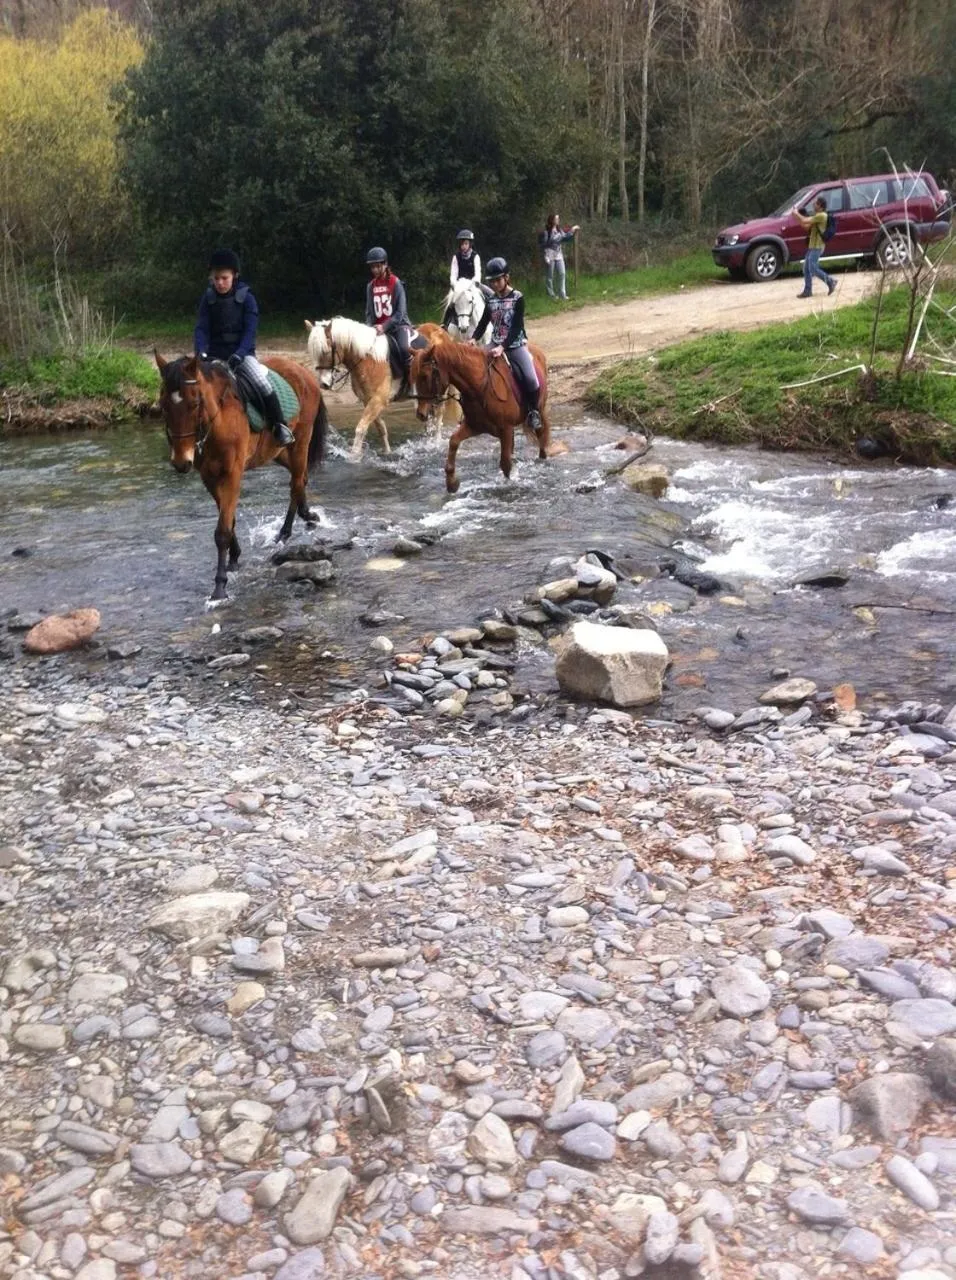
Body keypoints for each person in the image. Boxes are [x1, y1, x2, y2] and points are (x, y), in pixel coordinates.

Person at [194, 248, 294, 446]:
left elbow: (250, 331)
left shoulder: (247, 298)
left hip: (242, 355)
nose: (220, 283)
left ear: (234, 276)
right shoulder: (207, 299)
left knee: (261, 382)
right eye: (216, 278)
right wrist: (200, 351)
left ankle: (280, 426)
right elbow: (201, 328)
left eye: (224, 278)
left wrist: (240, 353)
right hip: (213, 356)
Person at [471, 257, 541, 431]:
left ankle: (533, 412)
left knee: (532, 379)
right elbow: (483, 322)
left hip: (515, 344)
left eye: (498, 280)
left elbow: (517, 327)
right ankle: (474, 411)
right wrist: (473, 338)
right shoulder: (491, 300)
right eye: (492, 281)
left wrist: (503, 347)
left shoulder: (518, 298)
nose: (494, 284)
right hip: (494, 341)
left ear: (506, 277)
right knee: (475, 370)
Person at [365, 246, 414, 379]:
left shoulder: (396, 283)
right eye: (372, 267)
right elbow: (369, 313)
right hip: (378, 328)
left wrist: (384, 326)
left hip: (399, 325)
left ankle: (411, 380)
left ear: (385, 265)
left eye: (377, 266)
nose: (374, 270)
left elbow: (400, 312)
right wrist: (370, 328)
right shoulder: (371, 286)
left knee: (404, 349)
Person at [792, 196, 837, 298]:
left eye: (815, 203)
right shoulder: (817, 216)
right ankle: (808, 291)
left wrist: (796, 213)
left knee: (813, 269)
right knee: (806, 269)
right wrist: (796, 216)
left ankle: (831, 281)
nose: (813, 204)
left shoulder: (821, 216)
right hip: (813, 246)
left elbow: (804, 220)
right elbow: (805, 225)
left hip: (817, 247)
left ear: (820, 206)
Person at [441, 229, 482, 329]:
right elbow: (453, 273)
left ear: (470, 244)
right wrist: (454, 284)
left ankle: (495, 320)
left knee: (489, 295)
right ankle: (445, 324)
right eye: (462, 244)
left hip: (472, 285)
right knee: (450, 301)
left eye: (466, 244)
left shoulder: (475, 256)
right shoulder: (456, 257)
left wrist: (474, 282)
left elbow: (477, 273)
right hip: (459, 285)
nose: (464, 246)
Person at [539, 213, 580, 300]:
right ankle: (551, 295)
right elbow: (544, 245)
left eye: (558, 218)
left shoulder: (559, 230)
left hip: (558, 254)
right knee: (550, 276)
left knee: (562, 273)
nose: (558, 220)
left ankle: (562, 294)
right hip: (550, 255)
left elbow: (566, 235)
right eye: (556, 219)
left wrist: (573, 229)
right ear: (552, 220)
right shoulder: (547, 232)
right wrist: (545, 256)